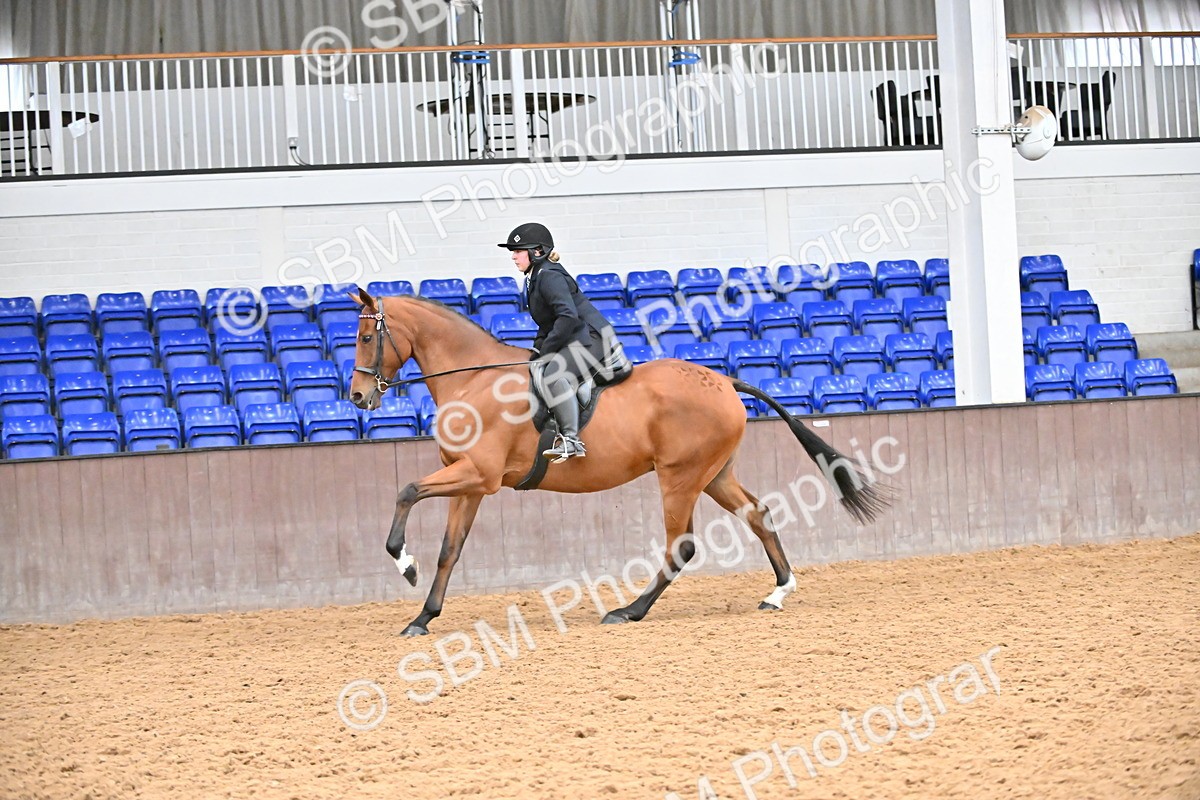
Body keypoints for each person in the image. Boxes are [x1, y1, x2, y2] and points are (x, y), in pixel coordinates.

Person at [497, 222, 619, 463]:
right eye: (513, 251)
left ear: (537, 252)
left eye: (518, 251)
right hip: (574, 334)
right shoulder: (534, 277)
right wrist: (537, 350)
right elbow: (547, 323)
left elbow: (567, 317)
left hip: (592, 337)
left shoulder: (550, 276)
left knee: (553, 374)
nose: (513, 256)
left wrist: (548, 350)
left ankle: (572, 440)